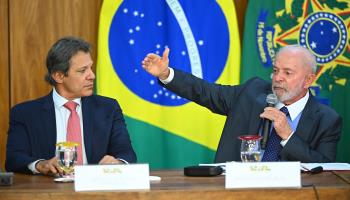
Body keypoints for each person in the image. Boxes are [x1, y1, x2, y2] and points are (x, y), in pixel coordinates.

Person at [142, 45, 342, 163]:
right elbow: (205, 91)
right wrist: (166, 74)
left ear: (308, 80)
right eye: (275, 70)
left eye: (287, 73)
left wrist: (288, 136)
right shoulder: (252, 91)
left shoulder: (327, 119)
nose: (277, 78)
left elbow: (324, 168)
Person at [6, 36, 136, 175]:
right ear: (59, 76)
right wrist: (41, 164)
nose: (92, 75)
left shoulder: (108, 108)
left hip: (95, 191)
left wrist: (118, 163)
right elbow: (13, 159)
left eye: (90, 68)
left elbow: (127, 154)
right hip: (48, 192)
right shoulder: (25, 113)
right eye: (82, 70)